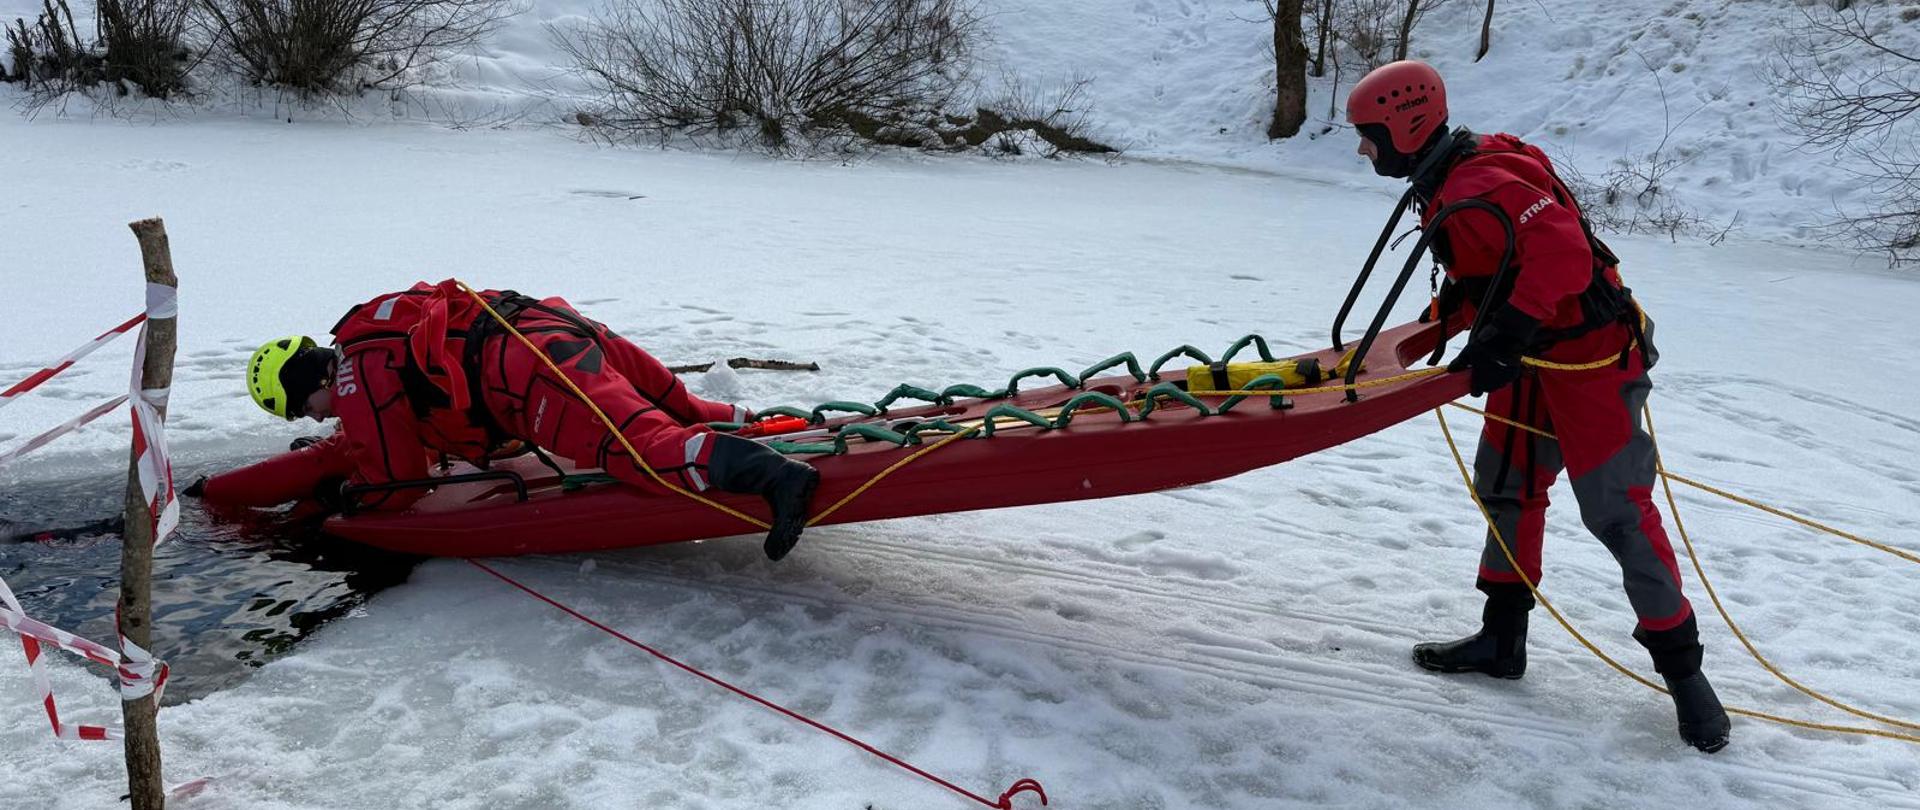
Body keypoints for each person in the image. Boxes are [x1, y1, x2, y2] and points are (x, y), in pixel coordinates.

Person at [1346, 60, 1731, 752]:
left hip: (1589, 356)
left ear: (1404, 125)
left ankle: (1688, 680)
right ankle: (1502, 639)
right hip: (1532, 353)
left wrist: (1510, 328)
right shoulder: (1447, 177)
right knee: (1507, 484)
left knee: (1616, 512)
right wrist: (1445, 327)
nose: (1363, 150)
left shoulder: (1477, 179)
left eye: (1369, 136)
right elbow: (1491, 269)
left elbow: (1560, 253)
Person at [208, 279, 820, 560]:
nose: (319, 421)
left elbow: (400, 485)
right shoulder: (376, 333)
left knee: (639, 449)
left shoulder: (356, 375)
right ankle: (750, 422)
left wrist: (346, 499)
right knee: (673, 403)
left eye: (306, 411)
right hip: (549, 329)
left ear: (310, 382)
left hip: (530, 378)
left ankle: (774, 475)